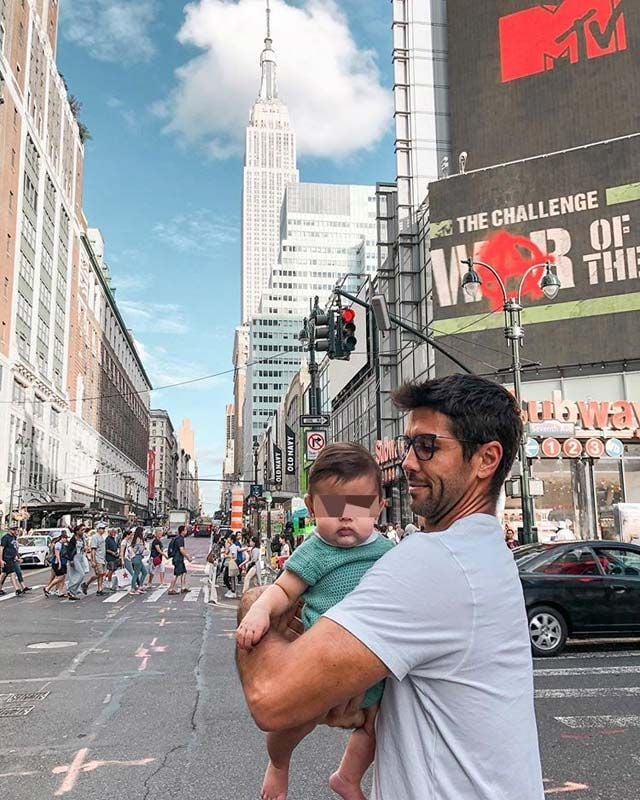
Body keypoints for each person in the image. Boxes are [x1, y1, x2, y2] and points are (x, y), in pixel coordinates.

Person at [236, 374, 545, 800]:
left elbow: (271, 698)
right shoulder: (484, 551)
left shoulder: (435, 562)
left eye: (427, 446)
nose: (408, 462)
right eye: (408, 445)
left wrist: (254, 602)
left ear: (486, 459)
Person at [237, 443, 393, 800]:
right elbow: (284, 590)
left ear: (379, 508)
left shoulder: (389, 553)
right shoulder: (316, 549)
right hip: (316, 663)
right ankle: (278, 764)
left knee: (377, 728)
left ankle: (347, 777)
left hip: (368, 670)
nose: (346, 518)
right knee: (292, 723)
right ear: (311, 508)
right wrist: (260, 611)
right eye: (333, 507)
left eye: (359, 507)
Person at [0, 525, 25, 596]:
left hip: (12, 558)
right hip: (7, 558)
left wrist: (18, 557)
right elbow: (1, 549)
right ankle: (17, 589)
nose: (15, 531)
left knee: (3, 574)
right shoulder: (5, 538)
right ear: (9, 530)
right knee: (12, 573)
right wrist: (1, 560)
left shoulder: (14, 537)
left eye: (16, 529)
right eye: (13, 529)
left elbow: (14, 548)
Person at [167, 525, 192, 595]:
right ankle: (171, 589)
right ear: (182, 531)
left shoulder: (178, 538)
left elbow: (182, 549)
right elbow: (181, 550)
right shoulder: (180, 539)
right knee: (176, 574)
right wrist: (188, 557)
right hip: (177, 559)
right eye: (185, 530)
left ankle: (183, 588)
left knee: (184, 572)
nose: (186, 531)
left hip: (179, 559)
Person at [66, 526, 89, 600]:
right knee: (81, 574)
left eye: (83, 530)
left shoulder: (82, 539)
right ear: (77, 531)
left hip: (81, 557)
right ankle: (71, 589)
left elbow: (83, 548)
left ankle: (73, 592)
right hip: (75, 557)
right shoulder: (73, 540)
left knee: (79, 574)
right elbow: (69, 550)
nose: (83, 531)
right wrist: (71, 560)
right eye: (81, 530)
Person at [84, 523, 108, 595]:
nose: (103, 530)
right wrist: (93, 560)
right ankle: (86, 584)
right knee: (99, 573)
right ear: (98, 529)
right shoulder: (95, 537)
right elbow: (93, 550)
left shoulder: (101, 537)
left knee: (101, 574)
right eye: (102, 528)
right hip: (98, 558)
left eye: (104, 528)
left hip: (102, 558)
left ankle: (99, 589)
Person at [43, 532, 69, 597]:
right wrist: (59, 563)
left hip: (63, 562)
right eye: (65, 538)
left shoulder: (63, 544)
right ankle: (48, 588)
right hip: (57, 562)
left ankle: (60, 591)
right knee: (59, 577)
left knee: (63, 577)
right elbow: (57, 554)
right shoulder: (58, 544)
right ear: (62, 538)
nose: (66, 540)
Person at [130, 528, 148, 594]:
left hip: (136, 558)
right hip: (137, 557)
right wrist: (144, 548)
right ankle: (133, 588)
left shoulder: (135, 539)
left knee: (144, 572)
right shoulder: (139, 540)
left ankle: (140, 586)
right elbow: (140, 550)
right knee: (136, 573)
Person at [119, 530, 136, 594]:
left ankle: (114, 586)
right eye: (131, 535)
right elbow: (122, 551)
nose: (132, 536)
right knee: (132, 573)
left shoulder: (127, 541)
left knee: (124, 572)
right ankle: (133, 588)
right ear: (127, 535)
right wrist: (122, 560)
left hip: (128, 559)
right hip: (126, 559)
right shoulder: (124, 542)